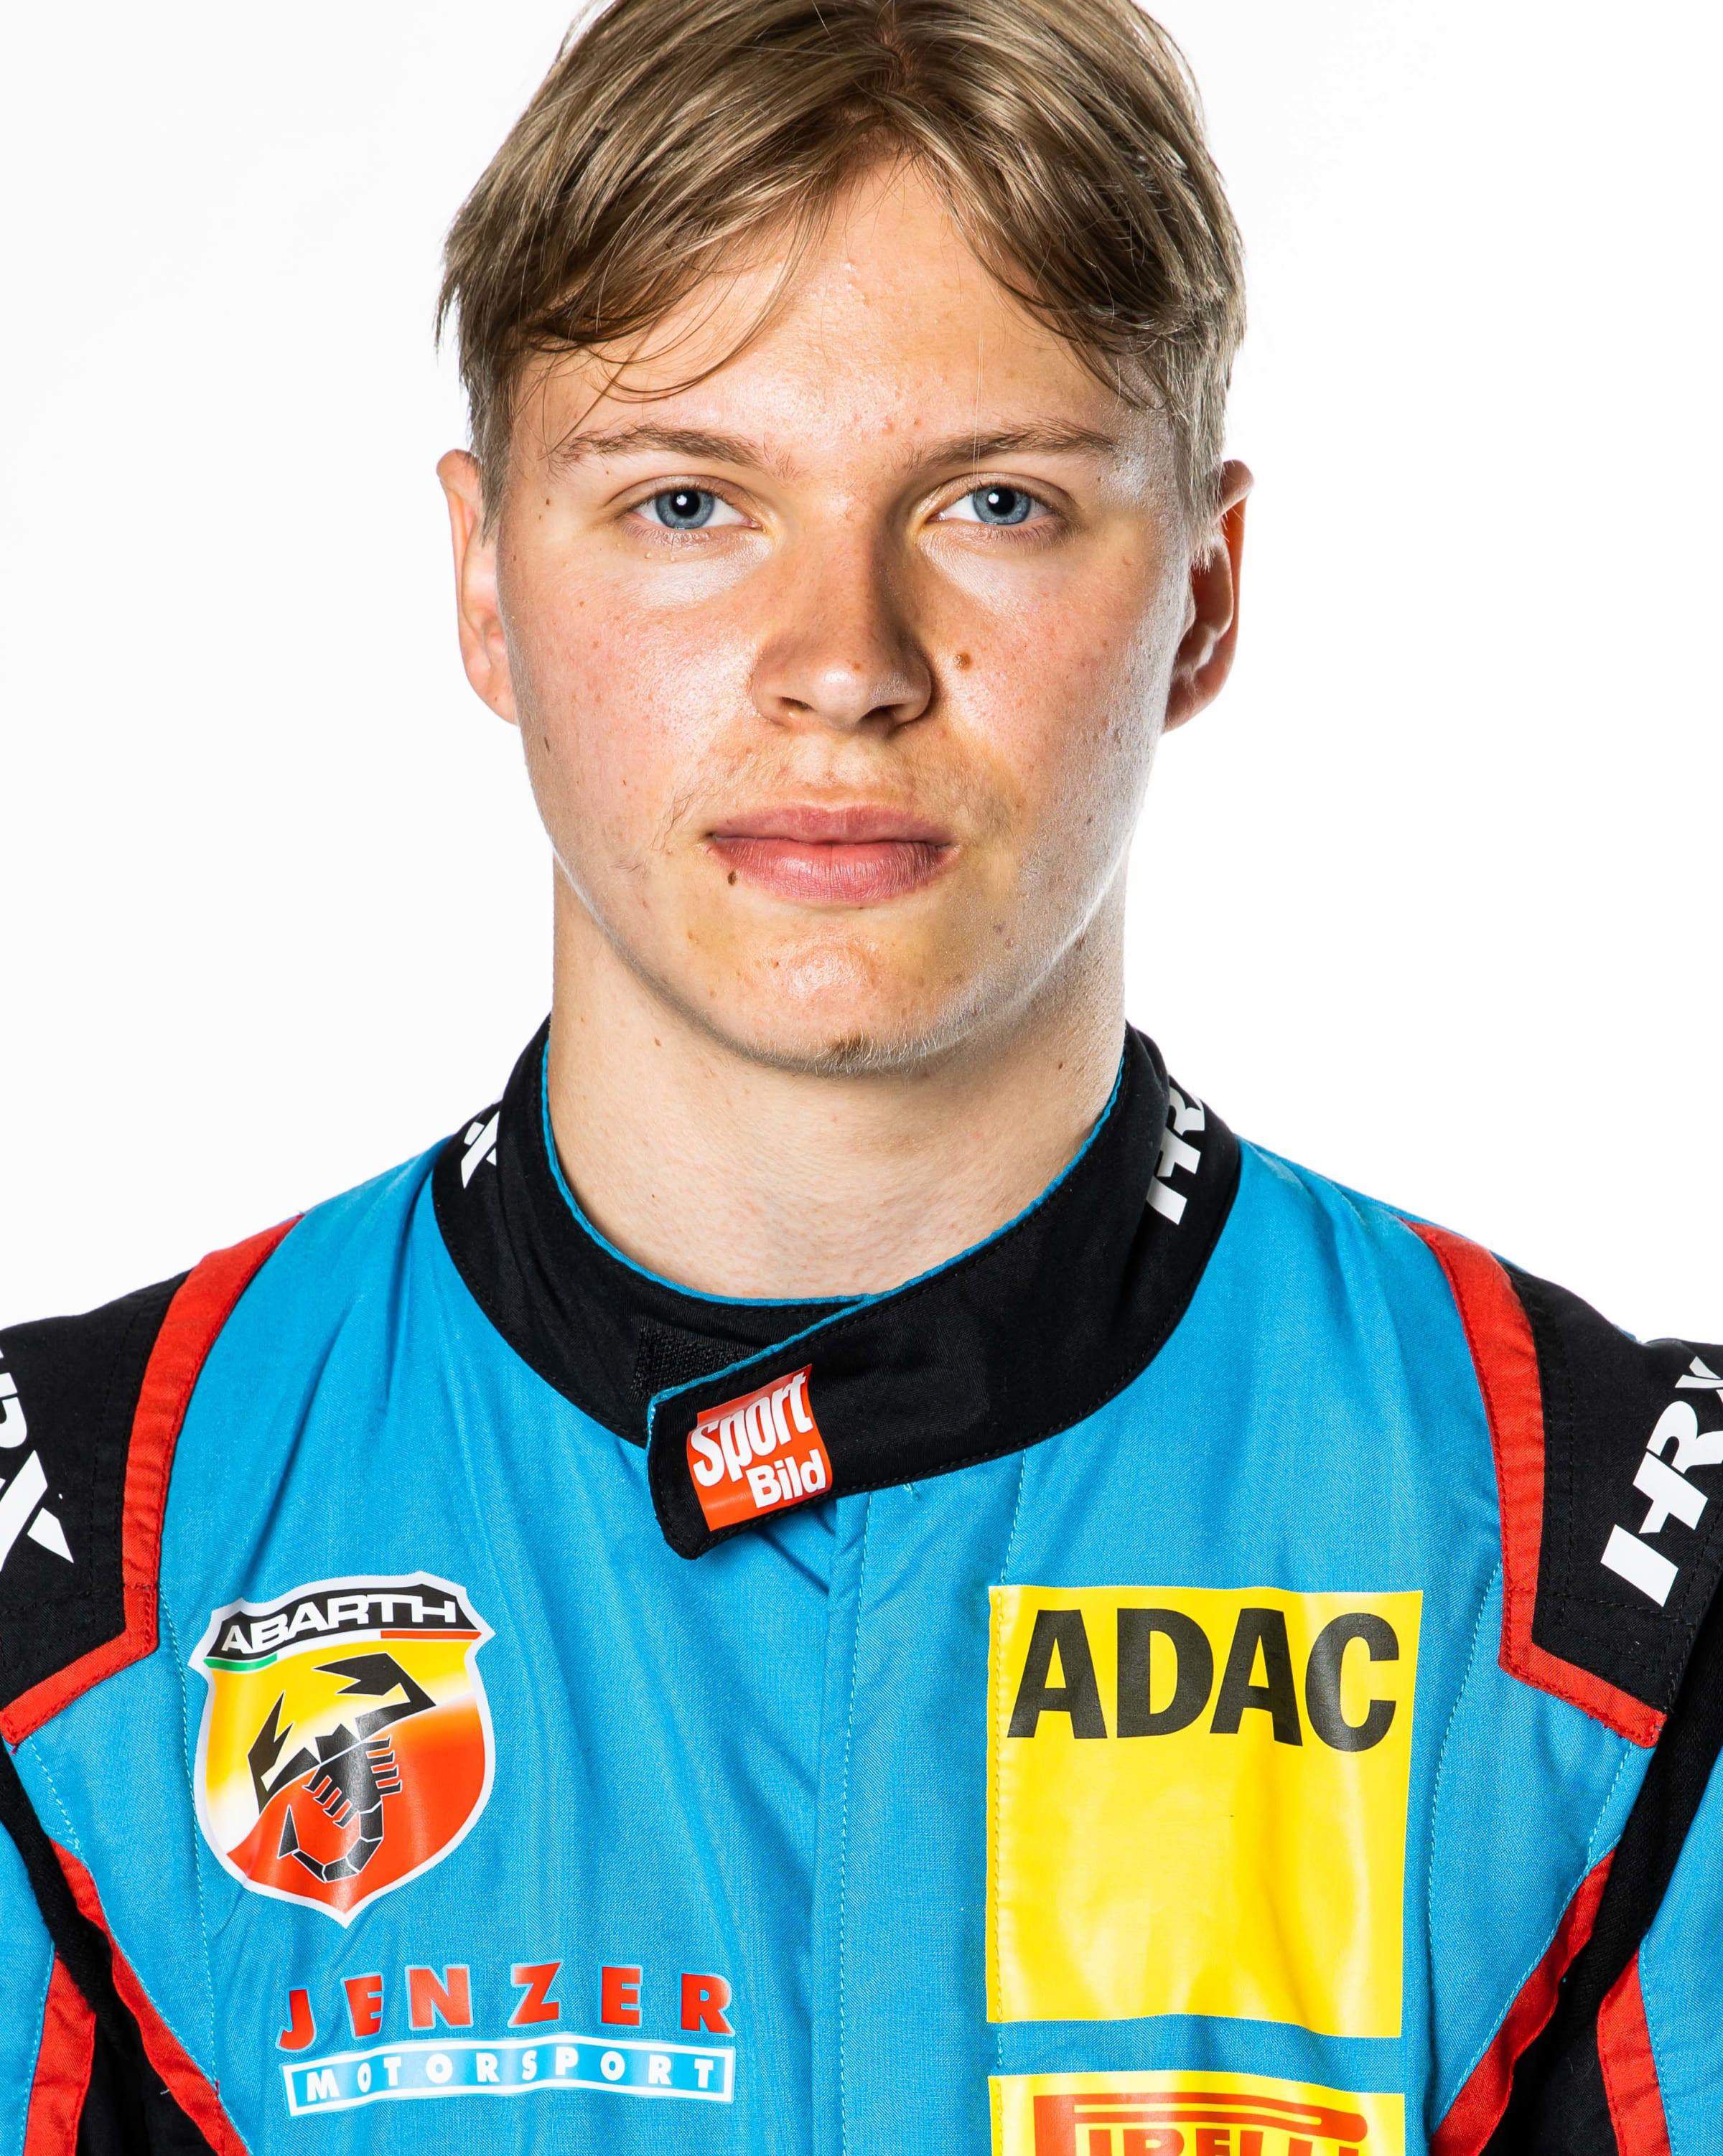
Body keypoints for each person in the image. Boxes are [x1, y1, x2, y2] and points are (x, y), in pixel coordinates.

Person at [0, 0, 1716, 2150]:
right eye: (689, 501)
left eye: (996, 501)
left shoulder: (1607, 1597)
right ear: (485, 579)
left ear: (1204, 594)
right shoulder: (78, 1589)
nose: (844, 662)